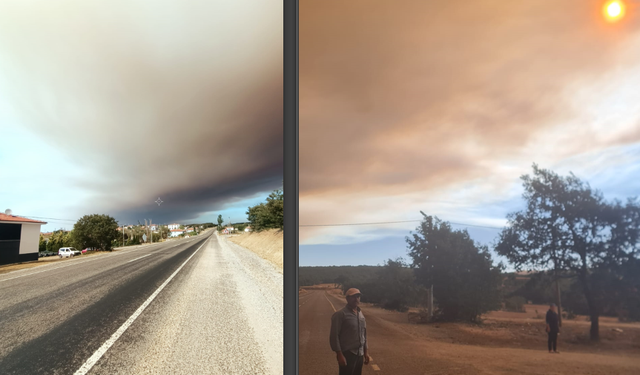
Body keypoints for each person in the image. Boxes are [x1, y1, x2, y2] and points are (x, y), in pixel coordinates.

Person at [329, 288, 370, 375]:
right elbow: (334, 336)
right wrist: (339, 355)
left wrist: (366, 352)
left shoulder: (360, 314)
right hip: (348, 353)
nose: (356, 299)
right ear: (347, 299)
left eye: (358, 296)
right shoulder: (340, 314)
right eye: (353, 297)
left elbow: (364, 334)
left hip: (360, 354)